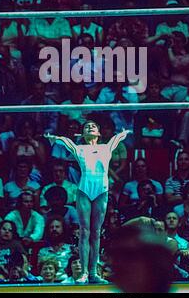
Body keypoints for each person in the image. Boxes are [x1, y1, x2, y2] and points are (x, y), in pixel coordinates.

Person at [45, 121, 131, 283]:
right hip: (84, 190)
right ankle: (83, 272)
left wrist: (125, 132)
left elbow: (118, 137)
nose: (90, 127)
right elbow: (65, 140)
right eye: (86, 127)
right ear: (82, 134)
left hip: (101, 191)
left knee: (96, 232)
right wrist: (54, 138)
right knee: (85, 231)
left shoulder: (107, 147)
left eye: (93, 126)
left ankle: (93, 273)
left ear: (99, 133)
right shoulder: (79, 149)